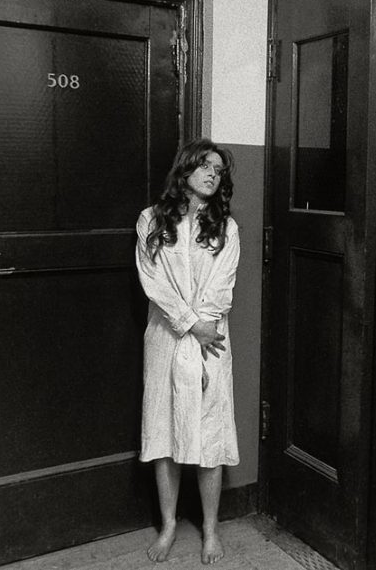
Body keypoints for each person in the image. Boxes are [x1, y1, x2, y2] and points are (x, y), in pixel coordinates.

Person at [135, 138, 240, 564]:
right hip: (167, 338)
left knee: (209, 433)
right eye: (205, 166)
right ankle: (169, 526)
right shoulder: (151, 220)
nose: (213, 174)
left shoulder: (226, 227)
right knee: (164, 431)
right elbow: (154, 281)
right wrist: (189, 323)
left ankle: (211, 530)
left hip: (211, 341)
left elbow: (222, 284)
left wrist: (203, 326)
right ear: (186, 170)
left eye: (219, 170)